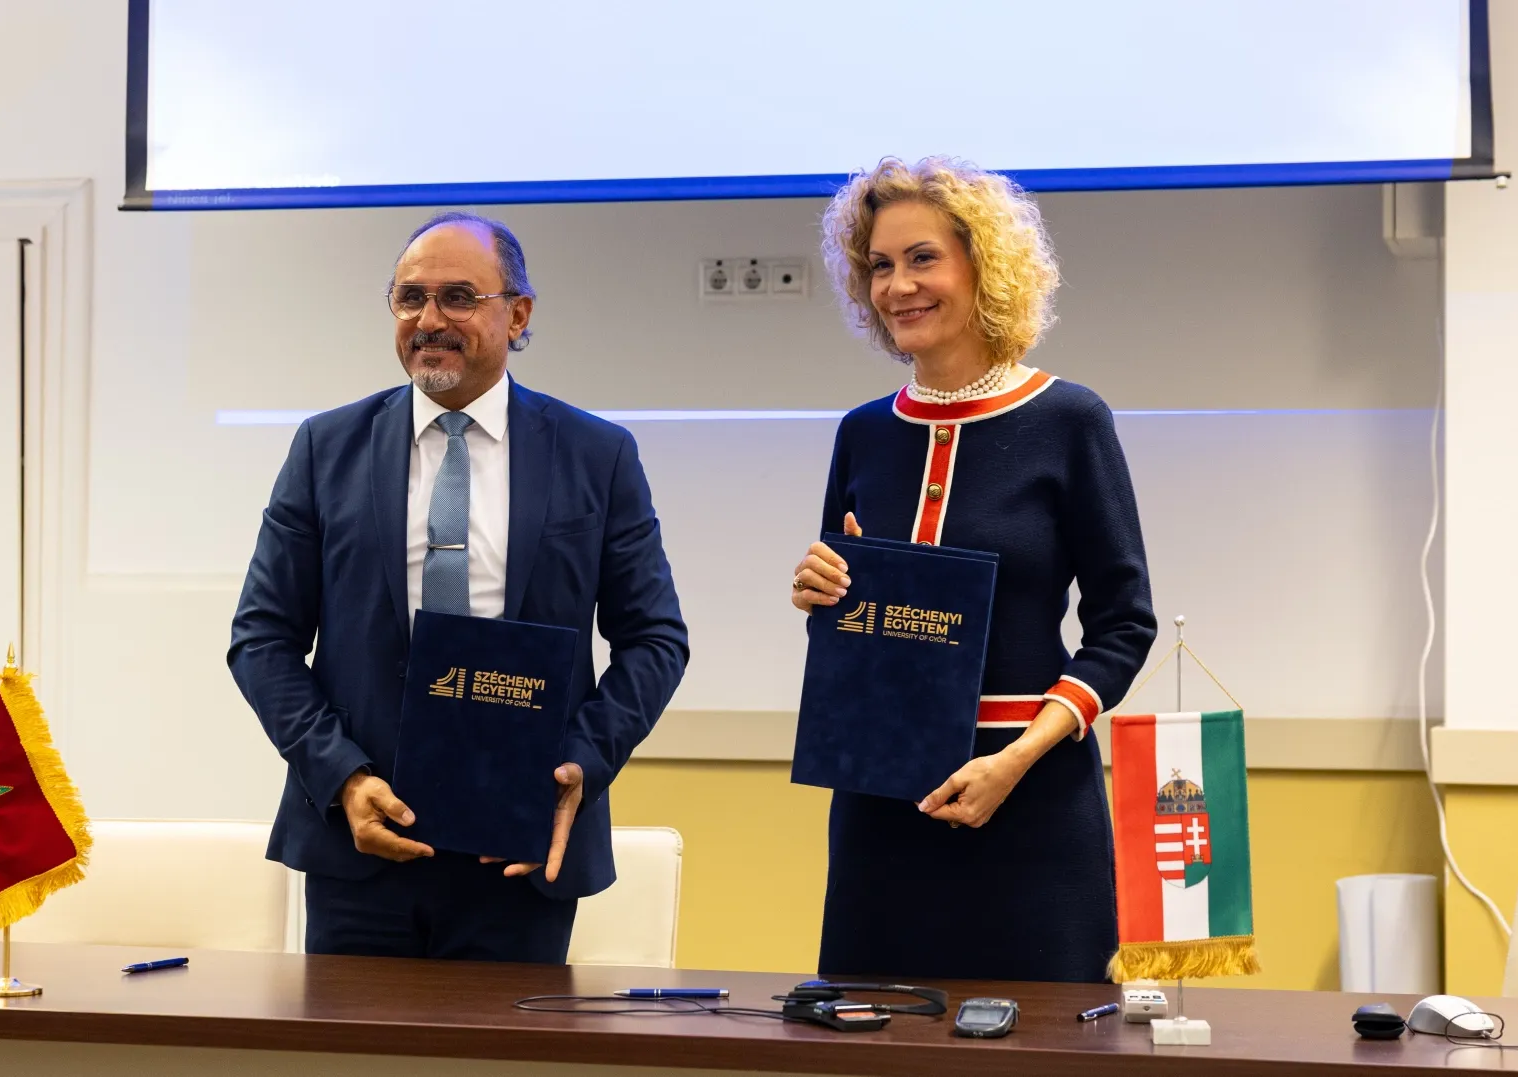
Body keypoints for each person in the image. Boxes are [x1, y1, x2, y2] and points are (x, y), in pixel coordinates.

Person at [229, 211, 688, 962]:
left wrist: (580, 763)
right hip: (360, 846)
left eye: (458, 297)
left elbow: (655, 639)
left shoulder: (596, 455)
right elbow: (262, 638)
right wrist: (340, 775)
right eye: (410, 298)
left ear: (518, 312)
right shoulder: (325, 448)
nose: (429, 319)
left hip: (519, 849)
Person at [790, 158, 1156, 982]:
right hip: (880, 805)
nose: (898, 286)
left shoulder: (1070, 420)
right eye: (879, 266)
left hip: (1030, 801)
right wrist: (820, 590)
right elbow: (854, 620)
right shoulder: (862, 433)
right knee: (873, 1040)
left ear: (983, 266)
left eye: (923, 258)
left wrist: (1017, 758)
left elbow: (1124, 625)